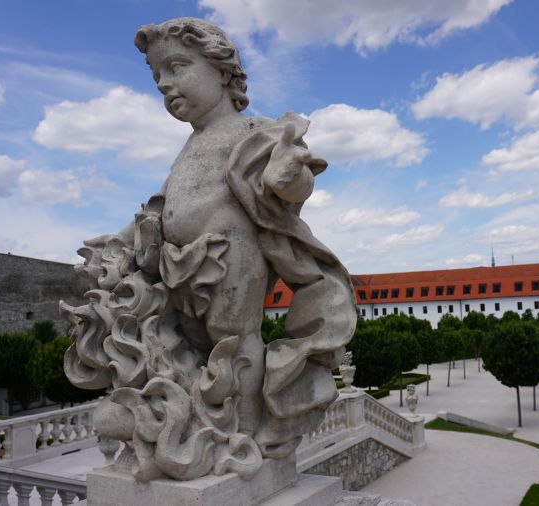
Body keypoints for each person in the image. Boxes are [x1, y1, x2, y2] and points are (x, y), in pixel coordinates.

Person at [61, 18, 356, 482]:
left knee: (234, 340)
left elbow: (297, 175)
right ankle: (193, 428)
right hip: (178, 266)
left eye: (177, 67)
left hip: (231, 254)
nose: (166, 83)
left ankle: (247, 436)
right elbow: (160, 206)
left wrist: (290, 176)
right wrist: (120, 240)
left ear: (222, 70)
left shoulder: (253, 130)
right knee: (188, 346)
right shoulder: (191, 145)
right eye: (158, 76)